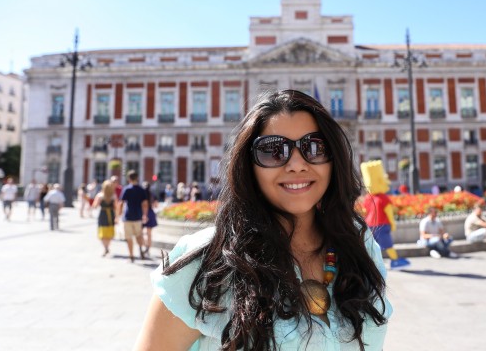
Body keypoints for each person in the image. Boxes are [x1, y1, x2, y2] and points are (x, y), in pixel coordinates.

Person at [134, 90, 391, 350]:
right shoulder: (207, 262)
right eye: (273, 151)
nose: (296, 164)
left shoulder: (359, 243)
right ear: (249, 166)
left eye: (314, 147)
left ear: (333, 160)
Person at [360, 160, 411, 269]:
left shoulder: (368, 198)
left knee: (372, 246)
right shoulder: (384, 198)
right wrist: (392, 224)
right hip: (382, 224)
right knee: (388, 244)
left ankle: (372, 263)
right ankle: (395, 261)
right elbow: (389, 213)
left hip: (370, 225)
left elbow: (364, 212)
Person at [117, 170, 148, 262]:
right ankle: (141, 248)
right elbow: (145, 204)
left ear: (129, 179)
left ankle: (131, 256)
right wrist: (145, 215)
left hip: (127, 216)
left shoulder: (127, 189)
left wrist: (118, 215)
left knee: (129, 237)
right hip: (138, 216)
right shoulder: (141, 189)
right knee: (139, 235)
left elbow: (121, 203)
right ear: (137, 178)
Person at [92, 180, 116, 256]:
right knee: (109, 231)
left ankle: (105, 248)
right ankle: (107, 247)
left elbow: (94, 206)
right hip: (111, 214)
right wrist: (117, 217)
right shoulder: (113, 196)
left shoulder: (100, 195)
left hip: (103, 214)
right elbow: (116, 207)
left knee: (102, 231)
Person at [142, 181, 158, 256]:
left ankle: (145, 246)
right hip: (151, 213)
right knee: (149, 233)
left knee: (141, 233)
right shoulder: (152, 195)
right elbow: (156, 205)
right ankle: (148, 248)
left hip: (142, 213)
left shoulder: (141, 195)